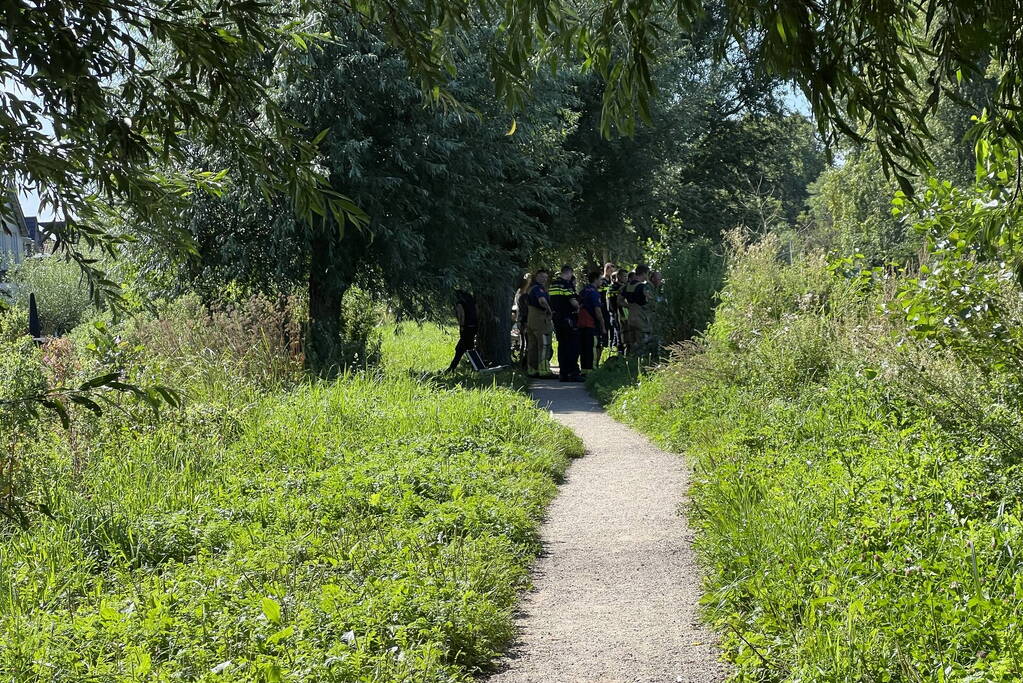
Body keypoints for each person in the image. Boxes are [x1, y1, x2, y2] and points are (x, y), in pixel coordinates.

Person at [549, 264, 583, 382]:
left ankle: (563, 373)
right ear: (569, 273)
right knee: (572, 346)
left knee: (562, 345)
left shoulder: (553, 284)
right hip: (568, 318)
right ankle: (573, 372)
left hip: (557, 319)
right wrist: (579, 308)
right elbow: (572, 301)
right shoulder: (566, 284)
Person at [525, 269, 555, 378]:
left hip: (530, 320)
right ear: (536, 276)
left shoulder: (529, 288)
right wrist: (549, 311)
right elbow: (542, 301)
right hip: (540, 320)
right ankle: (544, 370)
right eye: (542, 277)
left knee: (532, 346)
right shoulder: (538, 288)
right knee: (544, 345)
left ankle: (532, 370)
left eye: (546, 278)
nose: (544, 280)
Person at [578, 270, 607, 372]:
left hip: (581, 324)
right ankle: (592, 369)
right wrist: (603, 326)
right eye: (600, 280)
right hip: (590, 324)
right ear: (595, 280)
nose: (602, 282)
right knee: (593, 347)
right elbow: (597, 311)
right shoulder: (594, 293)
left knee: (584, 348)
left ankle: (584, 370)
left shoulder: (583, 291)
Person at [622, 264, 653, 355]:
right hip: (641, 317)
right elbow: (651, 300)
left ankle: (632, 361)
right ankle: (642, 360)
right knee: (643, 341)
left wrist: (628, 306)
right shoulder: (643, 287)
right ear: (644, 274)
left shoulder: (627, 286)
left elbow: (619, 300)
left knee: (632, 342)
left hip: (630, 316)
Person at [446, 289, 478, 372]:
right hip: (474, 326)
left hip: (466, 327)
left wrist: (461, 326)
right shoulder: (471, 301)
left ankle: (452, 368)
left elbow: (461, 315)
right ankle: (475, 366)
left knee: (460, 348)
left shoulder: (459, 303)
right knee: (469, 346)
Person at [514, 273, 532, 362]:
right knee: (527, 342)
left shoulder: (518, 294)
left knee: (523, 341)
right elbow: (526, 309)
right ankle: (525, 361)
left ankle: (522, 360)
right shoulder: (524, 296)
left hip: (520, 319)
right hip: (525, 319)